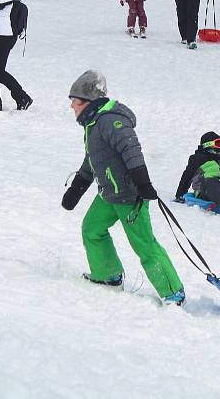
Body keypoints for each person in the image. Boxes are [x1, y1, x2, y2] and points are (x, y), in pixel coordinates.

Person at [61, 70, 186, 306]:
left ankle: (173, 292)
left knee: (145, 245)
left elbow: (132, 151)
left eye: (74, 102)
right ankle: (107, 275)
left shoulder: (110, 121)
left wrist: (143, 183)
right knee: (92, 228)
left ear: (88, 102)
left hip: (129, 195)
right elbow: (93, 160)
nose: (72, 107)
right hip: (109, 194)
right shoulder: (93, 123)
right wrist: (75, 190)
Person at [174, 131, 220, 216]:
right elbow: (186, 177)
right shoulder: (198, 159)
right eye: (218, 143)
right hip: (204, 190)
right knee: (211, 182)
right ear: (208, 145)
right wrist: (180, 195)